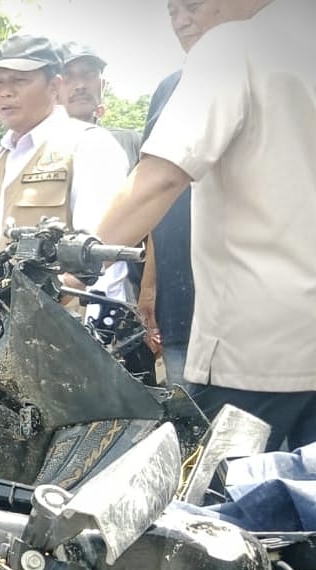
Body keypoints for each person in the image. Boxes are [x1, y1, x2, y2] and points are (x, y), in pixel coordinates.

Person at [94, 0, 316, 451]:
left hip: (255, 352)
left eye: (193, 3)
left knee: (212, 508)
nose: (181, 18)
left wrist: (74, 258)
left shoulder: (233, 47)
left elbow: (160, 178)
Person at [0, 35, 130, 303]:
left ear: (55, 86)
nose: (5, 92)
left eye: (20, 80)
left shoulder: (88, 145)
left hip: (66, 332)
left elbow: (98, 260)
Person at [136, 0, 233, 390]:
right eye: (172, 11)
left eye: (192, 6)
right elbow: (158, 196)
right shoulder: (167, 91)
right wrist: (148, 289)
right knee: (191, 436)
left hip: (252, 312)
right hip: (179, 306)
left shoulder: (279, 72)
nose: (181, 21)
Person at [60, 43, 143, 169]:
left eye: (90, 75)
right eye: (68, 76)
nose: (80, 85)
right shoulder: (34, 146)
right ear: (53, 88)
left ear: (103, 86)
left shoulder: (131, 143)